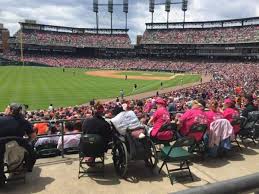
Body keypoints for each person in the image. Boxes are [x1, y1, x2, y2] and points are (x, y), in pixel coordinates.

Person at [0, 103, 37, 183]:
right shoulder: (24, 121)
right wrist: (26, 141)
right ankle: (24, 167)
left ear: (11, 111)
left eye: (7, 108)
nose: (5, 109)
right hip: (18, 147)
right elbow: (33, 136)